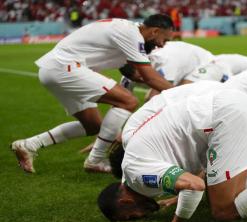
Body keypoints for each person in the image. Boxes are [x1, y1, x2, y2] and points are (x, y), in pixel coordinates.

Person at [98, 82, 247, 222]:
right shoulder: (133, 167)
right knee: (224, 189)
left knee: (223, 210)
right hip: (224, 107)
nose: (140, 216)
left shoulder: (138, 176)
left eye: (131, 216)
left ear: (125, 202)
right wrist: (180, 191)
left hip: (221, 116)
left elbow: (194, 184)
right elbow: (192, 173)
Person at [11, 15, 174, 174]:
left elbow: (134, 71)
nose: (162, 45)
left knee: (93, 125)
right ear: (155, 31)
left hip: (56, 68)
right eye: (164, 40)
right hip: (65, 67)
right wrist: (182, 93)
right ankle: (95, 160)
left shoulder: (128, 30)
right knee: (128, 101)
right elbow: (149, 77)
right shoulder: (131, 34)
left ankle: (29, 145)